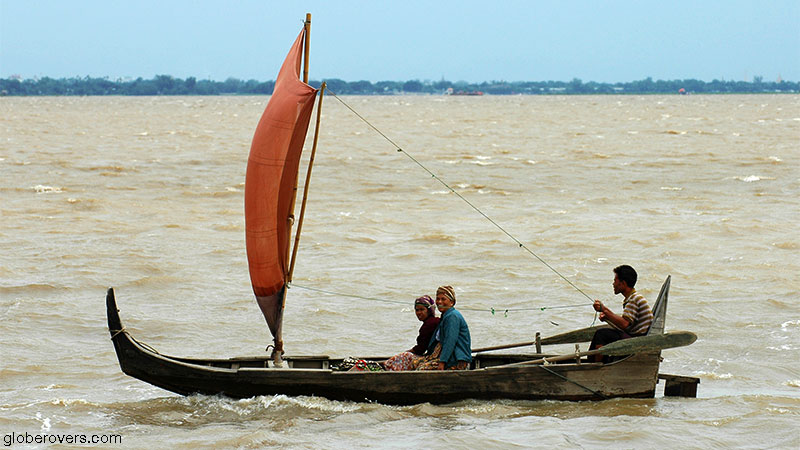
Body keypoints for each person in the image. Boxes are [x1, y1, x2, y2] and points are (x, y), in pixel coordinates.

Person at [589, 265, 654, 362]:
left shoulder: (634, 299)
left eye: (615, 281)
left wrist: (604, 309)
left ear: (623, 283)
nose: (613, 284)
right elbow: (625, 321)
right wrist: (607, 316)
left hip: (636, 340)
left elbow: (624, 324)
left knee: (601, 334)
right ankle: (597, 362)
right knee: (603, 333)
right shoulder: (632, 298)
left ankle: (596, 366)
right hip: (634, 337)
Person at [417, 285, 472, 370]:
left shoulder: (452, 317)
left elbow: (450, 341)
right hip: (449, 358)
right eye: (438, 299)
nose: (439, 302)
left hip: (456, 360)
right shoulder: (445, 316)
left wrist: (442, 362)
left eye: (443, 299)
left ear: (452, 302)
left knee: (421, 370)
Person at [382, 295, 440, 371]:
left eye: (422, 309)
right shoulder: (433, 321)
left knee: (405, 356)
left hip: (433, 357)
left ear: (429, 310)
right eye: (417, 310)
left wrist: (408, 352)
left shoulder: (430, 324)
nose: (419, 313)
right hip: (432, 355)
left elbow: (421, 349)